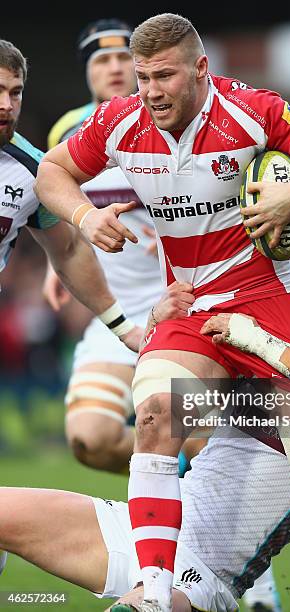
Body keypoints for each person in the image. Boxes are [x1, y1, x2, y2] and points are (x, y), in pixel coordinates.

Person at [34, 13, 290, 612]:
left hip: (268, 296)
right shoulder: (119, 120)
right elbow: (52, 171)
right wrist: (83, 215)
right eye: (144, 78)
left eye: (165, 77)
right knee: (155, 412)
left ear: (201, 69)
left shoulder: (252, 109)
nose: (151, 91)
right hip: (189, 303)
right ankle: (157, 591)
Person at [1, 307, 290, 611]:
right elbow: (168, 420)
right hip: (147, 529)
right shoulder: (255, 379)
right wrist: (157, 324)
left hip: (202, 575)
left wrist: (259, 339)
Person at [43, 19, 166, 473]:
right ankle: (189, 472)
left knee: (183, 429)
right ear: (87, 71)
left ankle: (200, 482)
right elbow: (54, 208)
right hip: (115, 313)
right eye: (102, 59)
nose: (115, 68)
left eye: (123, 58)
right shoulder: (66, 132)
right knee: (88, 439)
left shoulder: (165, 119)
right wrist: (52, 266)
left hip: (180, 306)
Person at [0, 38, 142, 353]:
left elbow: (67, 250)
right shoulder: (69, 130)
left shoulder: (35, 171)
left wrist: (122, 327)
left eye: (15, 92)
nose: (6, 105)